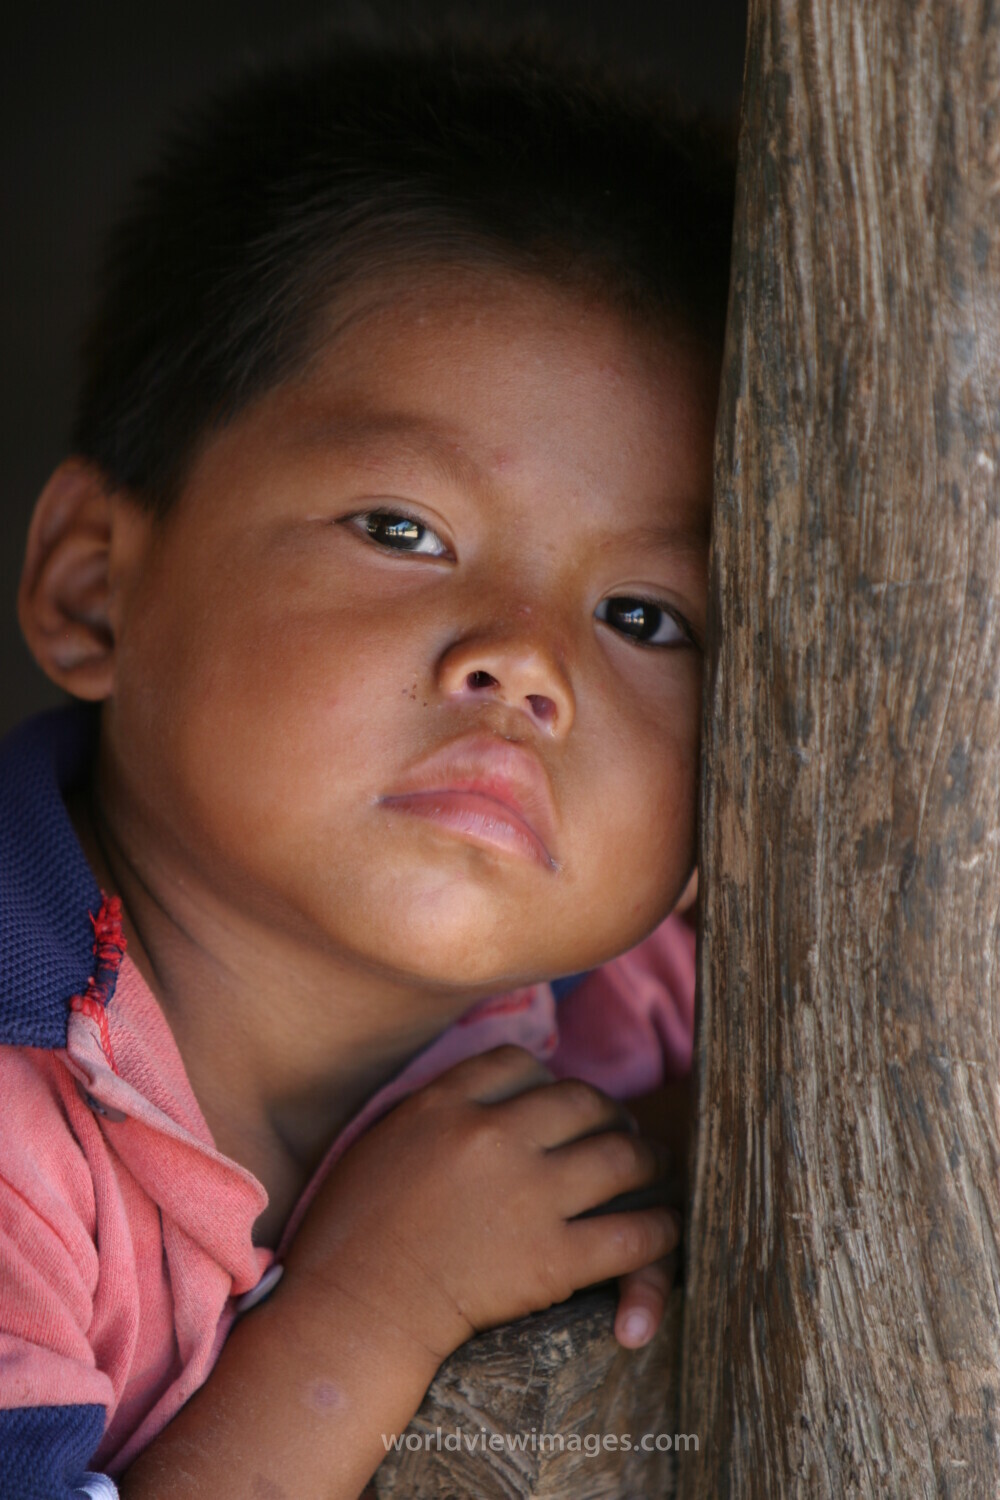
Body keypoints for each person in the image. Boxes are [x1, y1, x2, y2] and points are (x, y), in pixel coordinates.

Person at [0, 29, 731, 1500]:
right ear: (97, 589)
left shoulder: (658, 1013)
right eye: (404, 529)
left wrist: (693, 1191)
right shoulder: (21, 1129)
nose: (524, 662)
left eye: (642, 615)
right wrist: (363, 1315)